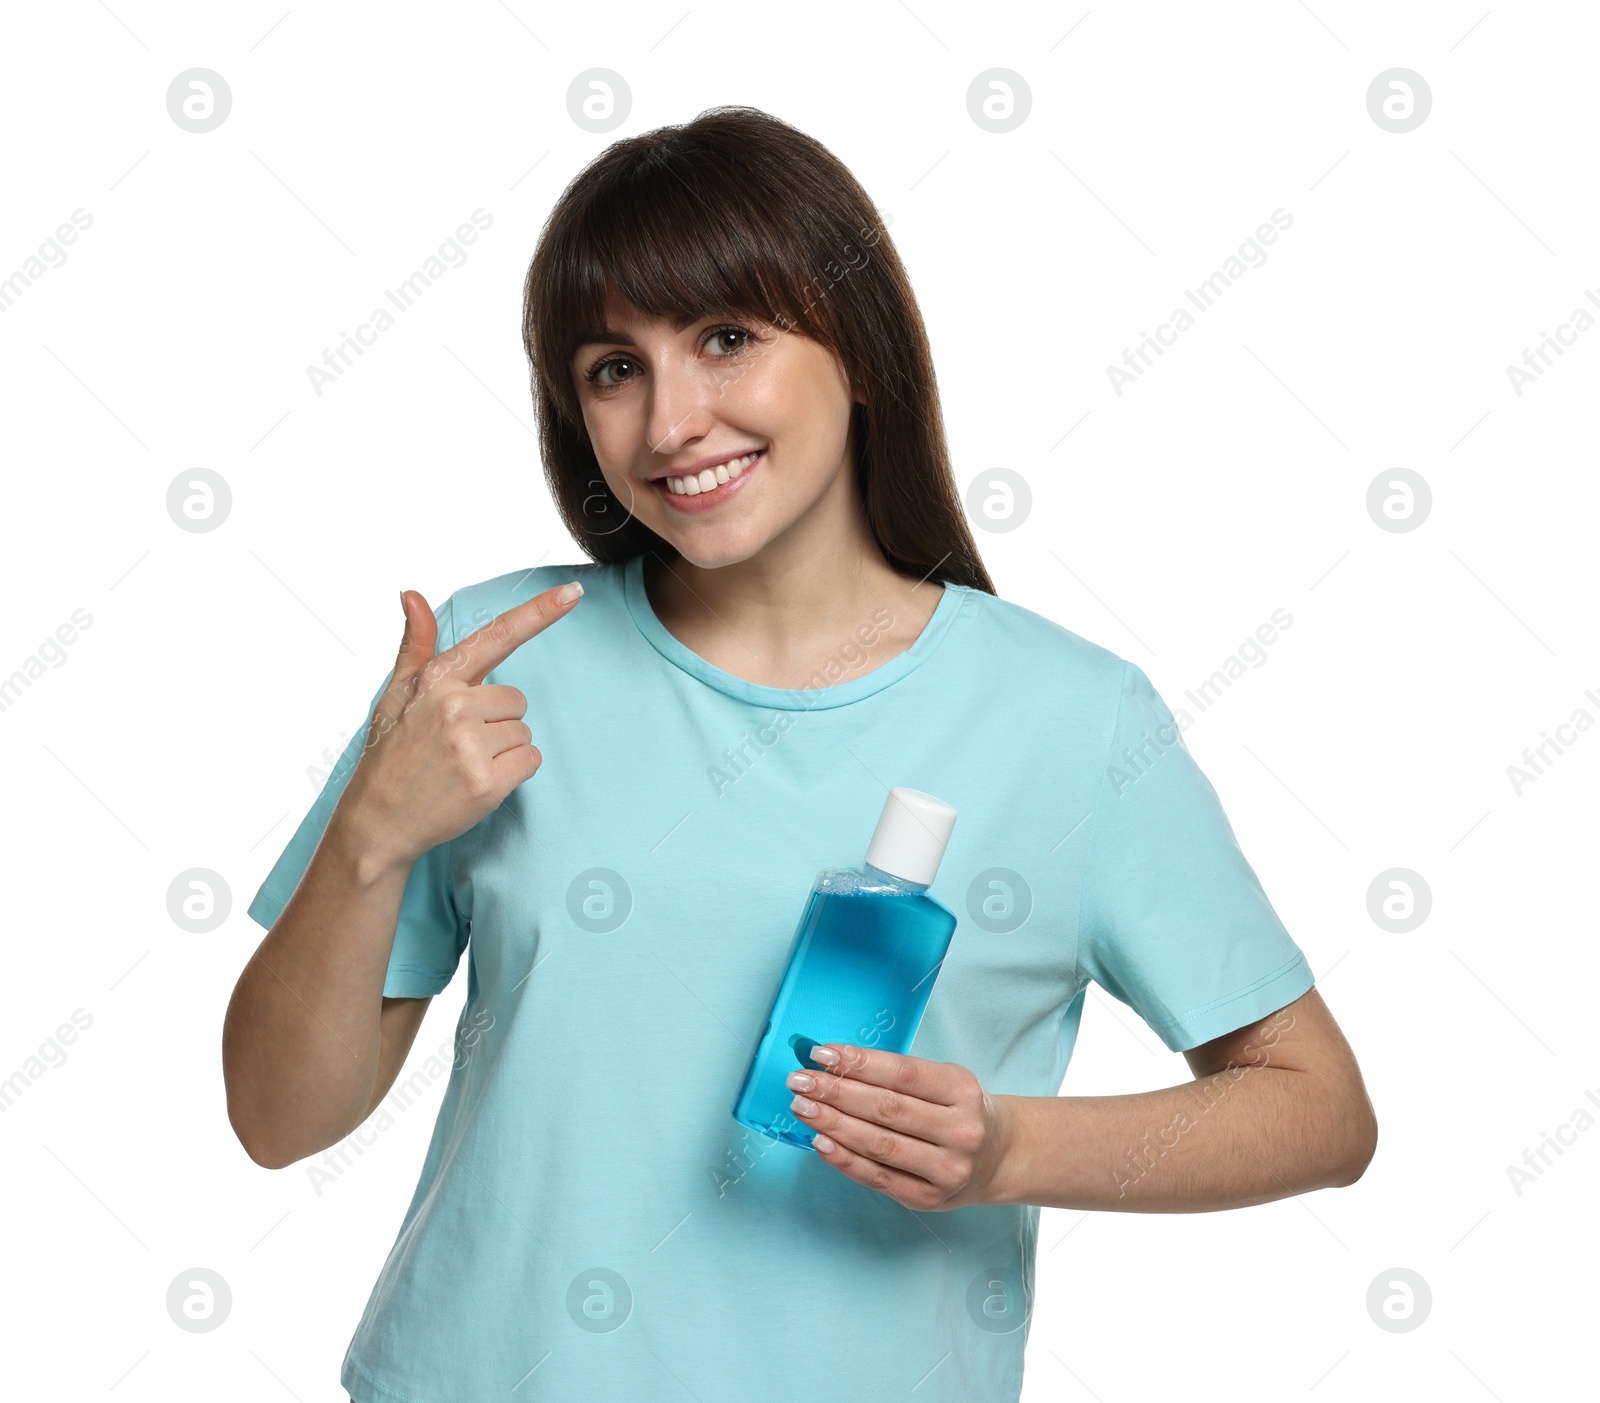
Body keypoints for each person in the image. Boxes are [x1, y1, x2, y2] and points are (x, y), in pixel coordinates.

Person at [222, 105, 1377, 1403]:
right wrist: (371, 839)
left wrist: (1004, 1151)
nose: (671, 423)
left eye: (727, 340)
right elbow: (279, 1123)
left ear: (860, 349)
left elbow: (1317, 1108)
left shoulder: (1068, 720)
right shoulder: (496, 660)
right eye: (615, 367)